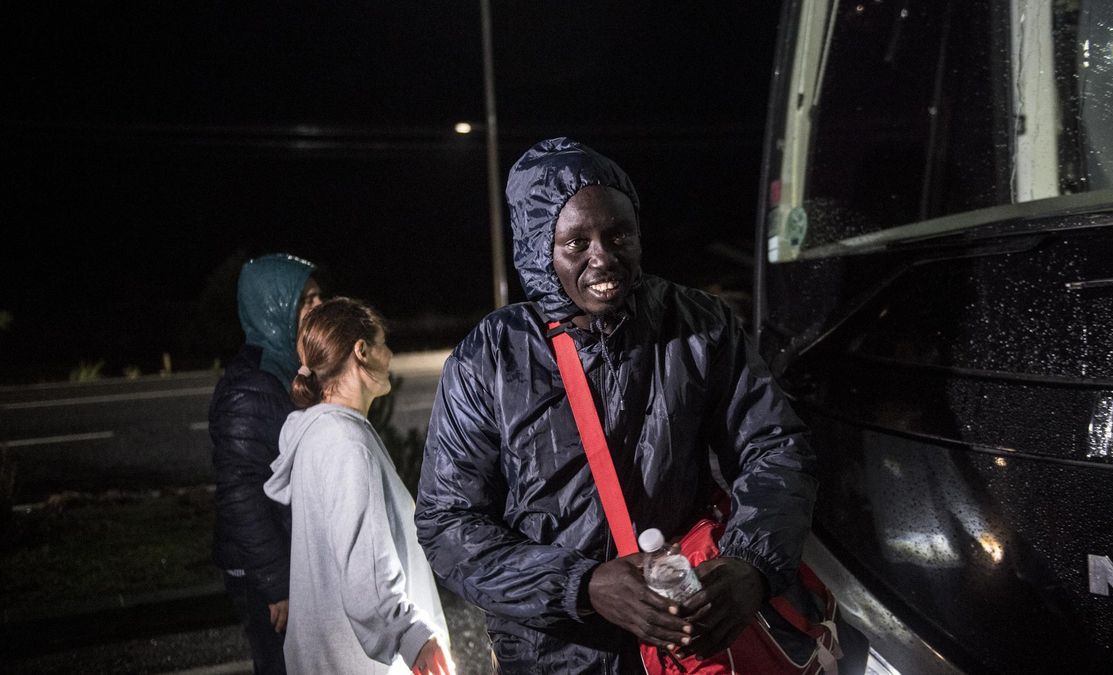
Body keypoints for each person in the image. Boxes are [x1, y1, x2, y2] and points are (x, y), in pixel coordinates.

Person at [415, 137, 819, 672]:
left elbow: (775, 447)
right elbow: (447, 522)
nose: (602, 256)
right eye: (576, 242)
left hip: (687, 641)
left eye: (618, 234)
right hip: (551, 655)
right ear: (541, 250)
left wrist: (753, 565)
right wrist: (581, 585)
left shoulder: (698, 325)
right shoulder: (489, 358)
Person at [264, 297, 453, 675]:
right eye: (383, 343)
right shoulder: (348, 444)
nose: (390, 354)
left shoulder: (316, 432)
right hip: (361, 664)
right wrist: (413, 637)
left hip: (326, 657)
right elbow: (367, 567)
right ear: (362, 351)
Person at [210, 252, 324, 675]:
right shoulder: (249, 388)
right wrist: (277, 585)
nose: (317, 308)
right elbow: (241, 494)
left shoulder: (288, 370)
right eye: (305, 301)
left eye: (318, 297)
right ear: (273, 306)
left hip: (288, 559)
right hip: (264, 572)